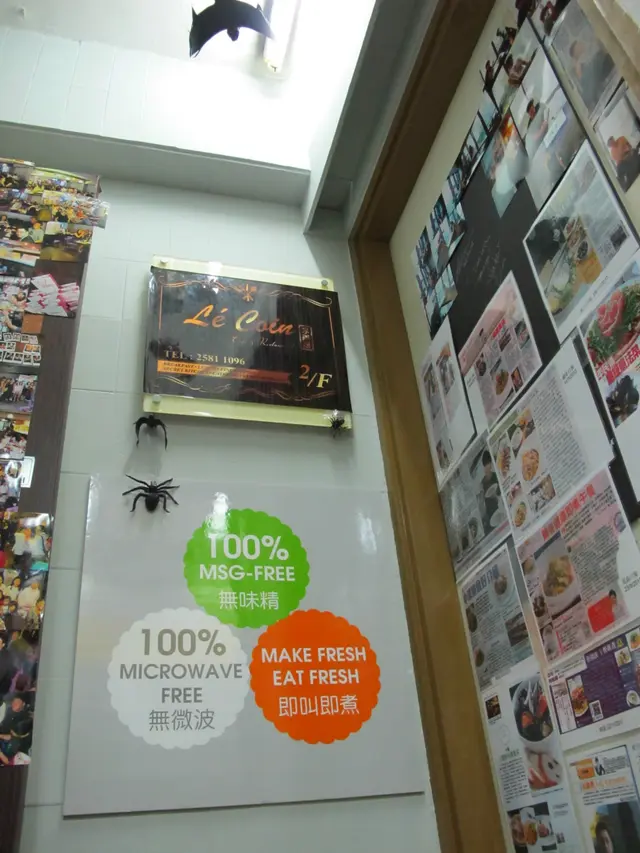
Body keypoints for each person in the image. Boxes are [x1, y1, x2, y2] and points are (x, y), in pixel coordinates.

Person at [0, 693, 32, 765]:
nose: (14, 704)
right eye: (13, 702)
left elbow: (12, 737)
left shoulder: (24, 718)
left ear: (23, 704)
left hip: (11, 751)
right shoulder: (8, 712)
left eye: (17, 702)